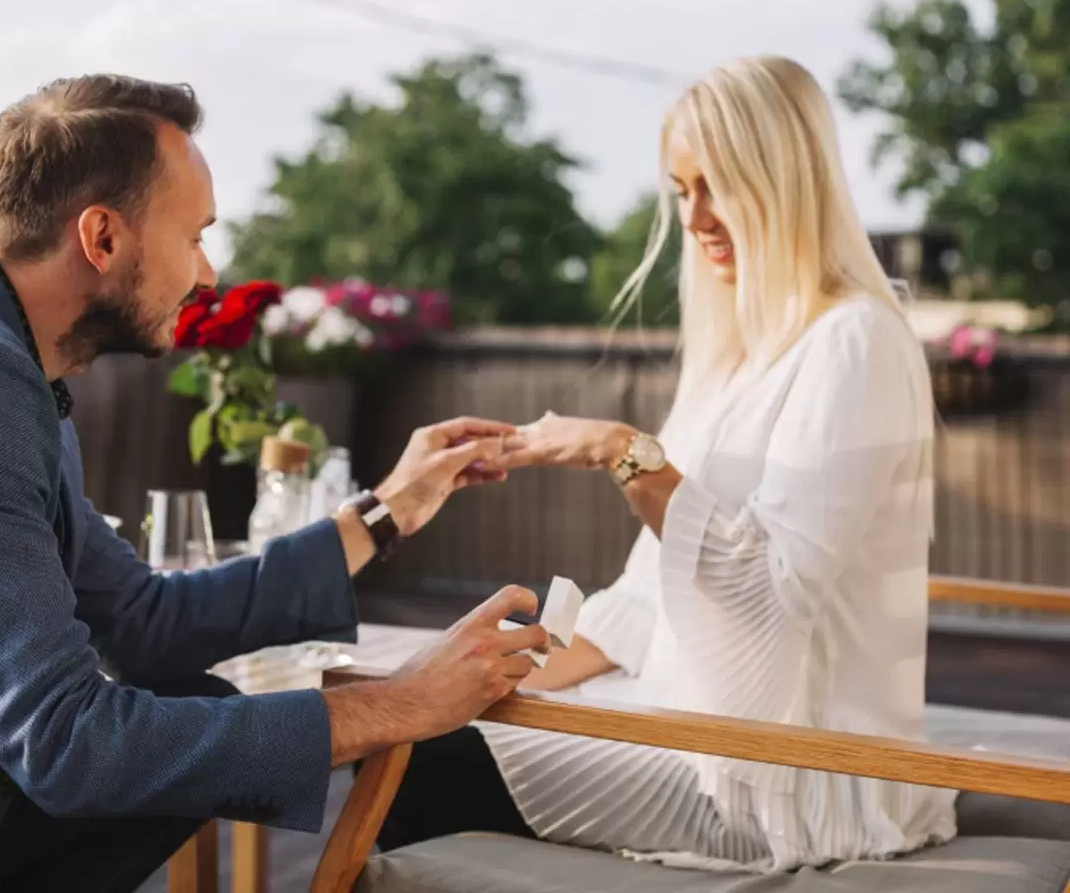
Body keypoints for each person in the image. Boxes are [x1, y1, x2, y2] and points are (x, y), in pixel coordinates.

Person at [0, 75, 549, 893]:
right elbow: (63, 741)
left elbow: (144, 623)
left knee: (193, 695)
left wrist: (386, 513)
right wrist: (399, 706)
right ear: (103, 237)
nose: (209, 272)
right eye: (193, 236)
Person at [375, 55, 958, 872]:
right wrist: (479, 685)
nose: (696, 218)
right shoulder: (738, 357)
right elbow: (651, 600)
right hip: (687, 723)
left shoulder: (855, 342)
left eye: (719, 185)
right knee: (417, 723)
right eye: (682, 191)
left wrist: (623, 452)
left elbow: (771, 607)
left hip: (795, 779)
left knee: (422, 764)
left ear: (788, 179)